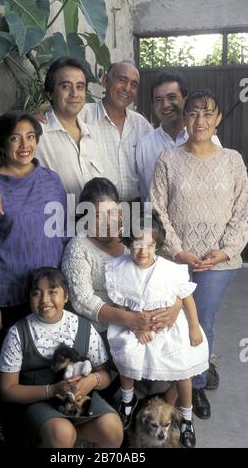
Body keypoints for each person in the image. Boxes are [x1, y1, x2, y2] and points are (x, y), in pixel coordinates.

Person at [150, 89, 248, 420]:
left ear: (218, 119)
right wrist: (179, 252)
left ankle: (198, 385)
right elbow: (158, 210)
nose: (200, 120)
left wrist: (223, 251)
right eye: (193, 113)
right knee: (171, 320)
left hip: (219, 263)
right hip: (175, 261)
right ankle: (170, 379)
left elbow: (242, 211)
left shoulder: (233, 160)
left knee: (200, 322)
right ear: (184, 119)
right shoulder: (168, 160)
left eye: (208, 114)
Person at [61, 178, 182, 398]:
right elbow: (83, 301)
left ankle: (165, 406)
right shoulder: (78, 248)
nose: (108, 222)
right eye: (98, 216)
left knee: (175, 354)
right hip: (103, 328)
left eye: (113, 213)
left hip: (143, 316)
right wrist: (130, 319)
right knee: (134, 359)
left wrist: (175, 307)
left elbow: (162, 273)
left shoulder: (134, 237)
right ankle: (133, 402)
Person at [0, 110, 67, 372]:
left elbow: (61, 237)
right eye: (15, 139)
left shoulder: (51, 181)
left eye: (30, 136)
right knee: (11, 374)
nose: (25, 146)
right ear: (1, 144)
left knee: (48, 372)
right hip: (8, 300)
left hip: (49, 297)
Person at [105, 209, 209, 448]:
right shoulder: (120, 268)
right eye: (137, 245)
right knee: (127, 357)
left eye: (150, 245)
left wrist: (194, 327)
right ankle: (128, 401)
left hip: (169, 330)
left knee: (183, 370)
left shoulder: (170, 270)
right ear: (129, 243)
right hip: (137, 328)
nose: (143, 252)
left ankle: (185, 417)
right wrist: (134, 326)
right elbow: (120, 302)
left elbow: (187, 298)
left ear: (157, 245)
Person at [0, 57, 117, 225]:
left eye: (80, 87)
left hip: (97, 236)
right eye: (65, 86)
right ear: (49, 93)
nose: (74, 93)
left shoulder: (95, 135)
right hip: (55, 234)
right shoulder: (35, 132)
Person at [0, 267, 123, 448]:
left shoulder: (84, 327)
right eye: (36, 293)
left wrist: (92, 381)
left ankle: (75, 438)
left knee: (113, 428)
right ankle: (63, 440)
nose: (44, 300)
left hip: (80, 400)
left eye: (52, 292)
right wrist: (52, 389)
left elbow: (105, 374)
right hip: (39, 402)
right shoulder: (18, 333)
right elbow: (7, 390)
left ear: (66, 297)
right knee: (62, 432)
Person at [136, 70, 221, 201]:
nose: (165, 105)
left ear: (185, 99)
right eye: (158, 100)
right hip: (156, 220)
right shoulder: (145, 146)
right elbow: (145, 195)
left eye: (171, 97)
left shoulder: (208, 139)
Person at [81, 61, 153, 200]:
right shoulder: (83, 117)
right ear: (106, 80)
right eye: (122, 80)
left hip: (135, 210)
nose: (127, 88)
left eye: (134, 85)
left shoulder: (141, 125)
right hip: (97, 212)